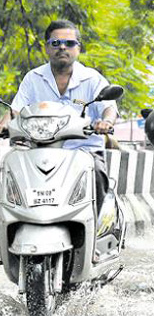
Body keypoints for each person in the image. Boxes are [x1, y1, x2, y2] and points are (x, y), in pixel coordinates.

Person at [0, 19, 118, 210]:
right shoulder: (33, 78)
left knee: (96, 172)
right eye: (55, 43)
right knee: (10, 175)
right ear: (46, 48)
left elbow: (108, 107)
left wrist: (106, 122)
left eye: (69, 43)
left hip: (83, 151)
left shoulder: (92, 79)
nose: (62, 47)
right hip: (37, 151)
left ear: (78, 48)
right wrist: (3, 126)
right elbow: (16, 109)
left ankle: (93, 230)